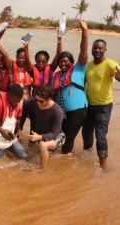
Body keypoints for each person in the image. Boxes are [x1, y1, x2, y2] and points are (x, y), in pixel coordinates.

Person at [82, 39, 120, 170]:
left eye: (100, 48)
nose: (97, 50)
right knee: (86, 133)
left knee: (100, 135)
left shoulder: (110, 64)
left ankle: (103, 166)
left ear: (105, 49)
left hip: (104, 106)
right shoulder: (88, 65)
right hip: (89, 105)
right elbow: (83, 84)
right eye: (95, 48)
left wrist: (118, 75)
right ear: (91, 49)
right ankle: (88, 156)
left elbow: (118, 74)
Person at [52, 19, 88, 154]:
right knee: (59, 136)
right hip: (61, 112)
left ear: (72, 62)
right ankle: (65, 161)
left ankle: (65, 158)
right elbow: (57, 56)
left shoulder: (78, 69)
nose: (63, 63)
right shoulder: (56, 75)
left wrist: (85, 31)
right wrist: (59, 39)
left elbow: (83, 51)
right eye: (61, 61)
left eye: (66, 61)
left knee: (68, 138)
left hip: (77, 111)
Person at [20, 85, 64, 169]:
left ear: (49, 99)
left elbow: (55, 133)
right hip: (39, 134)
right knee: (31, 151)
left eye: (41, 101)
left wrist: (39, 137)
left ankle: (41, 170)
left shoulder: (57, 111)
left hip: (57, 137)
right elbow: (23, 114)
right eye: (36, 99)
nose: (38, 102)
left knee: (42, 145)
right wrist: (19, 129)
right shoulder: (33, 102)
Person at [0, 84, 28, 161]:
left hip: (9, 138)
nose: (17, 103)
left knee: (24, 155)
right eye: (15, 101)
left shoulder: (18, 102)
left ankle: (6, 148)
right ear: (9, 95)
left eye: (18, 101)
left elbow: (18, 119)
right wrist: (2, 131)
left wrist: (19, 130)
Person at [23, 31, 62, 95]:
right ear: (35, 61)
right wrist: (26, 46)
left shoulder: (51, 68)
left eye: (43, 62)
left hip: (48, 96)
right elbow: (27, 61)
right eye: (38, 61)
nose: (41, 64)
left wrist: (59, 39)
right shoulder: (32, 70)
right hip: (36, 97)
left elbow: (59, 54)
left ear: (47, 62)